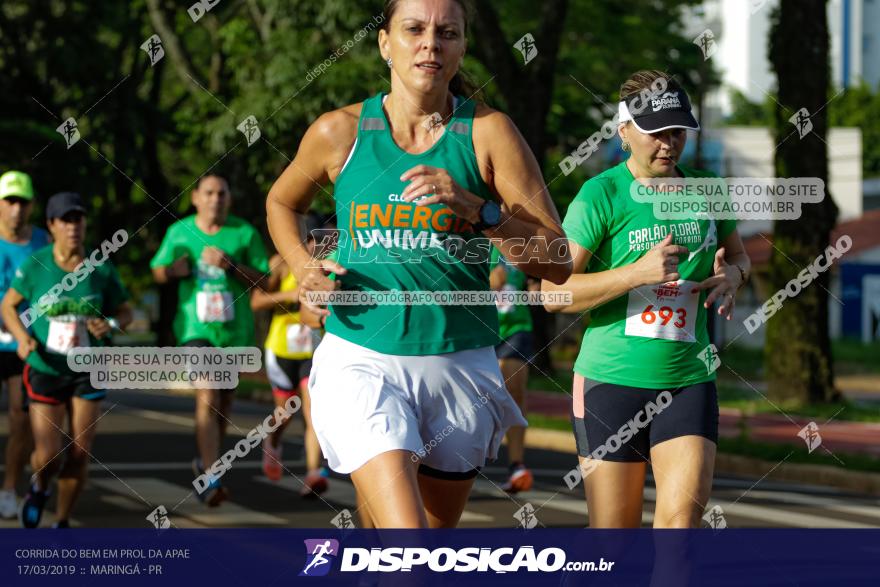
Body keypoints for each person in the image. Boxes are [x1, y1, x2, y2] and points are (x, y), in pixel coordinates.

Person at [265, 0, 571, 528]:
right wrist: (303, 267)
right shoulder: (340, 133)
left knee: (427, 538)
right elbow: (281, 202)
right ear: (385, 43)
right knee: (408, 543)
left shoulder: (489, 133)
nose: (430, 43)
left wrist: (480, 211)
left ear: (461, 47)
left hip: (461, 361)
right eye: (414, 29)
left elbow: (558, 260)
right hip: (361, 357)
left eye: (446, 32)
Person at [543, 70, 751, 528]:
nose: (668, 144)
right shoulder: (602, 194)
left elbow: (738, 257)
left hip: (688, 379)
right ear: (623, 132)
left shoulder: (708, 189)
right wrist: (635, 274)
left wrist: (732, 276)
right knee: (613, 547)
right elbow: (552, 294)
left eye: (677, 132)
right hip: (611, 381)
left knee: (681, 533)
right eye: (655, 132)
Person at [0, 192, 132, 528]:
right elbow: (8, 306)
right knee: (49, 455)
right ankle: (39, 486)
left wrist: (112, 323)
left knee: (79, 451)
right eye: (65, 220)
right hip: (46, 367)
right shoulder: (35, 265)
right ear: (51, 226)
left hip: (88, 369)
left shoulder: (100, 267)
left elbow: (124, 311)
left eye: (78, 219)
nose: (73, 226)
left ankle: (61, 521)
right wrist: (21, 337)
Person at [150, 174, 269, 507]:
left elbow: (265, 279)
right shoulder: (180, 232)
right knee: (208, 391)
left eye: (222, 193)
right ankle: (211, 476)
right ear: (196, 198)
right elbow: (157, 272)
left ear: (229, 199)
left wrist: (232, 266)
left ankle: (205, 461)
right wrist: (176, 270)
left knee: (223, 407)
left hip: (235, 333)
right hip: (195, 330)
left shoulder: (243, 232)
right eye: (209, 193)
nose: (216, 199)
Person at [251, 215, 329, 497]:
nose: (318, 248)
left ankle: (312, 472)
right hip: (281, 349)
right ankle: (272, 442)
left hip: (311, 349)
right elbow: (257, 301)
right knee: (285, 412)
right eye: (313, 242)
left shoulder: (326, 265)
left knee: (311, 409)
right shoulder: (279, 263)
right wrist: (292, 294)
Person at [0, 171, 50, 519]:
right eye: (10, 201)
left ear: (32, 206)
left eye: (23, 202)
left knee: (21, 419)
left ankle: (8, 488)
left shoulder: (42, 242)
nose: (17, 209)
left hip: (23, 343)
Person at [489, 247, 537, 493]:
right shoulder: (467, 236)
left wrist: (536, 283)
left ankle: (517, 465)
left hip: (516, 327)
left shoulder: (516, 239)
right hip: (479, 328)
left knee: (514, 388)